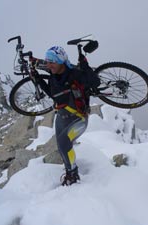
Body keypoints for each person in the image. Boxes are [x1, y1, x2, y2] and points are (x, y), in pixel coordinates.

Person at [44, 46, 100, 186]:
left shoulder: (76, 74)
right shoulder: (53, 76)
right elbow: (53, 94)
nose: (48, 65)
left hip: (78, 119)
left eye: (52, 62)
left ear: (61, 61)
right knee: (61, 146)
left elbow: (95, 82)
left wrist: (85, 64)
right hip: (62, 116)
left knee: (64, 141)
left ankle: (72, 174)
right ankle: (69, 167)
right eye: (47, 62)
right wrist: (37, 78)